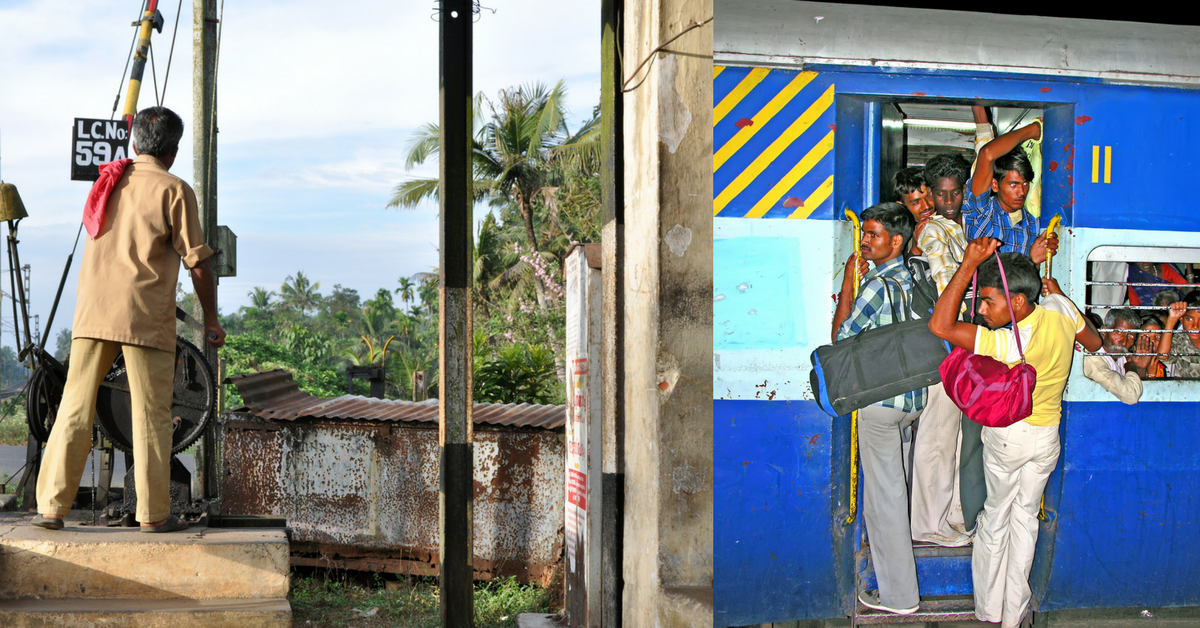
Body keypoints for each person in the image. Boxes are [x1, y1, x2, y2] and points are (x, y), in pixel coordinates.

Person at [32, 107, 225, 532]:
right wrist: (210, 318)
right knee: (152, 413)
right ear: (173, 151)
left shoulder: (109, 180)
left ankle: (51, 507)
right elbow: (197, 262)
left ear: (134, 143)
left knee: (75, 406)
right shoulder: (174, 189)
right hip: (143, 317)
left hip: (93, 312)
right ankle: (155, 515)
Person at [928, 241, 1099, 628]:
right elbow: (1094, 341)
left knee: (995, 518)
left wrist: (969, 263)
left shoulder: (1008, 342)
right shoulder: (1059, 310)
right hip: (1047, 439)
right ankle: (1013, 614)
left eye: (988, 301)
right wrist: (1060, 297)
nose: (983, 310)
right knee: (1026, 519)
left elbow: (940, 326)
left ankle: (989, 612)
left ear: (1018, 302)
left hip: (1010, 437)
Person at [831, 202, 926, 615]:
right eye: (865, 233)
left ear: (897, 241)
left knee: (883, 501)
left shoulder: (873, 285)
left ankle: (899, 599)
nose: (864, 241)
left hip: (880, 404)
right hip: (912, 399)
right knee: (895, 490)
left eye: (873, 235)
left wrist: (851, 283)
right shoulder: (916, 275)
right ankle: (897, 586)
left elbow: (841, 339)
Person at [908, 153, 972, 547]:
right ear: (930, 194)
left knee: (952, 436)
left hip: (956, 343)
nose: (950, 200)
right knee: (937, 438)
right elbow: (949, 283)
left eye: (955, 193)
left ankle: (948, 516)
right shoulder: (933, 232)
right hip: (945, 345)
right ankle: (929, 525)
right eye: (942, 194)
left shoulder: (953, 228)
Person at [964, 121, 1055, 264]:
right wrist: (1033, 130)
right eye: (1014, 184)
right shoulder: (981, 214)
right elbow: (987, 154)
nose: (1021, 192)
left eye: (1025, 184)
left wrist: (1034, 261)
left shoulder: (1035, 224)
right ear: (995, 184)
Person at [1081, 308, 1143, 403]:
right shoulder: (1093, 359)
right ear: (1104, 332)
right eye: (1118, 332)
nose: (1124, 341)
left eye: (1131, 336)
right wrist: (1131, 367)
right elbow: (1131, 396)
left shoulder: (1123, 357)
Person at [1156, 292, 1200, 379]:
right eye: (1189, 319)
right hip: (1183, 391)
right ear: (1182, 320)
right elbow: (1162, 356)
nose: (1195, 326)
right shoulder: (1181, 339)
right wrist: (1171, 320)